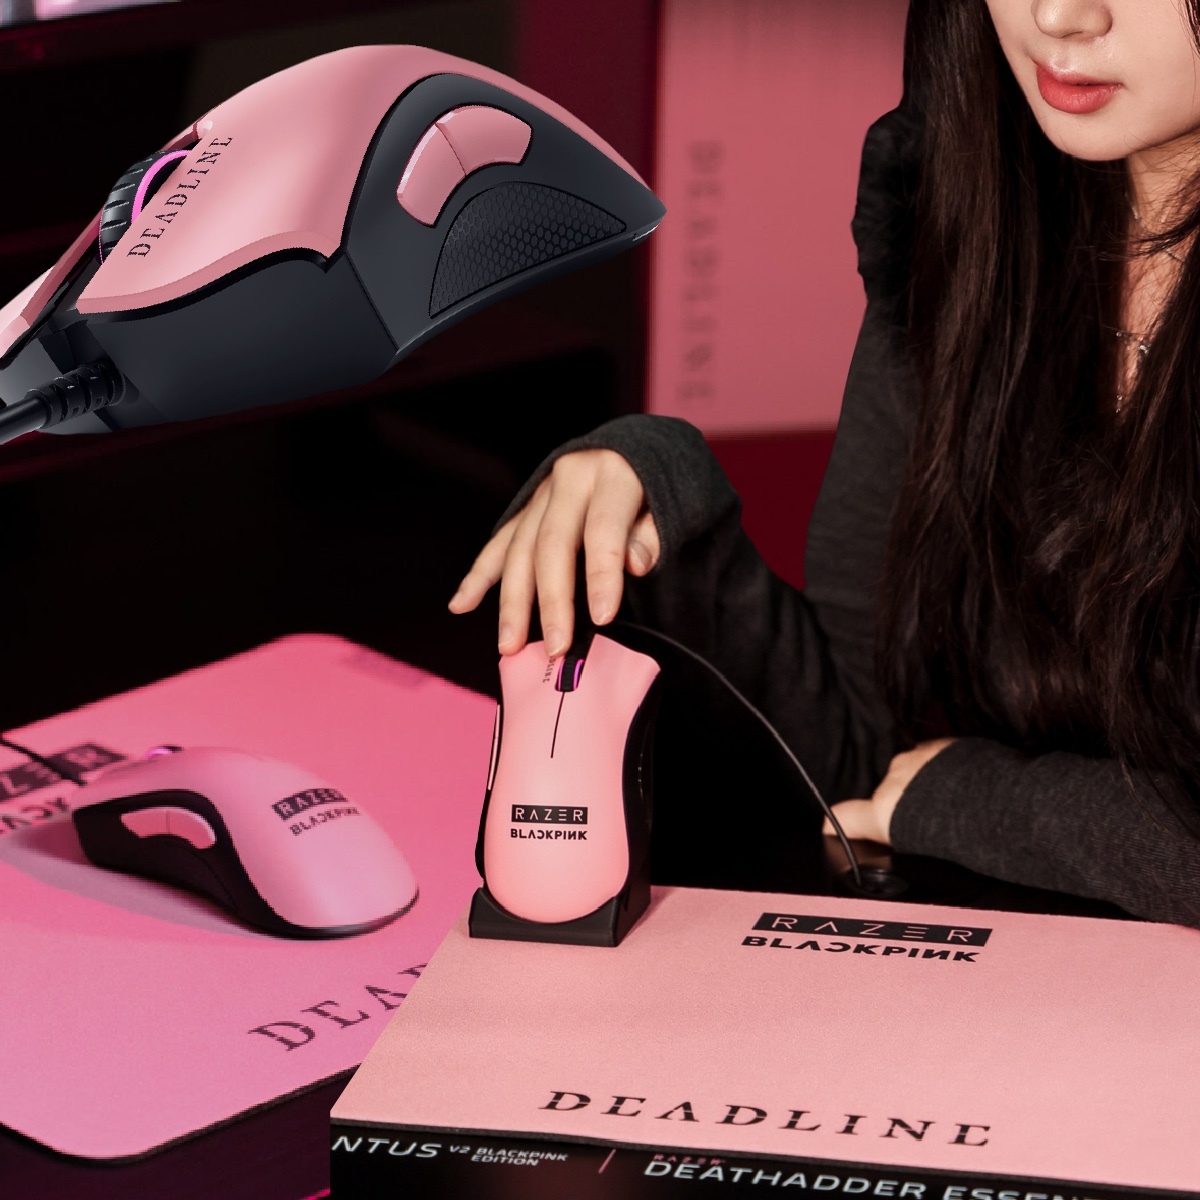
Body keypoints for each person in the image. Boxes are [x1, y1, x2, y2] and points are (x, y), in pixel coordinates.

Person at [449, 0, 1200, 928]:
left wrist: (980, 803)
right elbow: (858, 754)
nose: (1058, 15)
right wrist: (662, 493)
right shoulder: (974, 208)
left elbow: (917, 789)